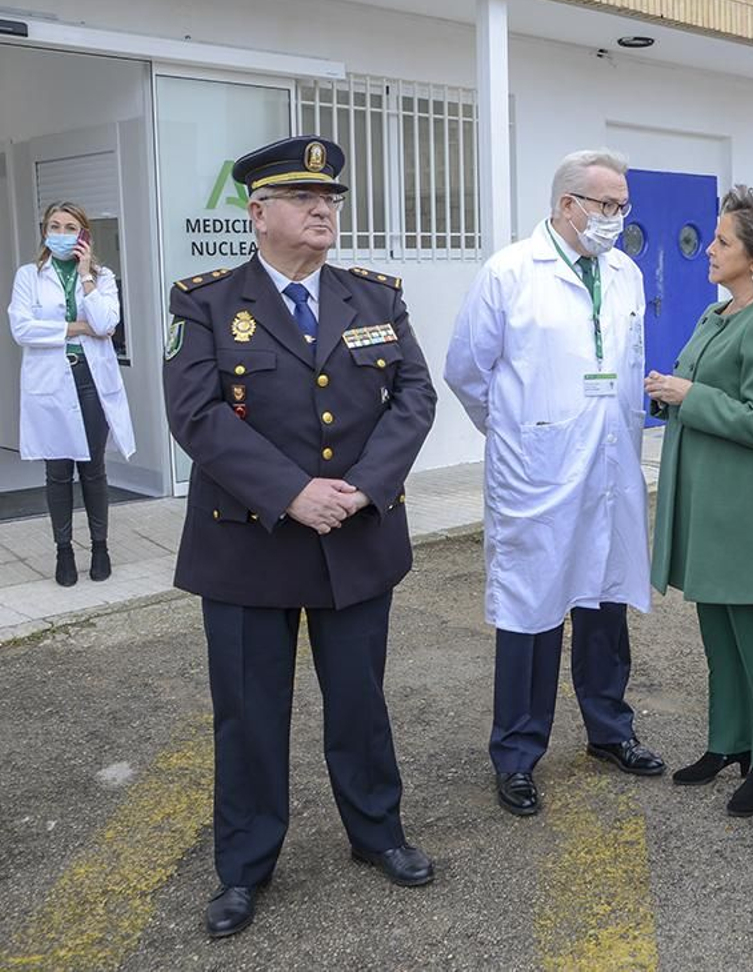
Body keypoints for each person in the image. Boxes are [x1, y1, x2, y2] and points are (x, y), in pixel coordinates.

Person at [164, 135, 438, 939]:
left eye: (332, 200)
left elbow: (414, 397)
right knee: (248, 713)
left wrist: (363, 488)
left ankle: (377, 833)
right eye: (302, 199)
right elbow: (196, 415)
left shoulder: (375, 297)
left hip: (354, 536)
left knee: (360, 702)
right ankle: (245, 866)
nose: (324, 210)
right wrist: (292, 492)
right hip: (247, 545)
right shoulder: (205, 300)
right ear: (258, 213)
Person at [445, 149, 663, 822]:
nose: (616, 218)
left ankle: (610, 730)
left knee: (604, 604)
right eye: (605, 205)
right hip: (537, 471)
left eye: (622, 206)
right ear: (566, 205)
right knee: (531, 613)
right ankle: (516, 754)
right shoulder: (510, 272)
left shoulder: (623, 272)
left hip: (608, 465)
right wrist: (521, 434)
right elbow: (466, 372)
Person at [645, 186, 753, 817]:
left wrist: (688, 396)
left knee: (752, 634)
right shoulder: (719, 315)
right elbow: (700, 387)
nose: (709, 250)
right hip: (708, 505)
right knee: (717, 630)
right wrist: (668, 392)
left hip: (744, 513)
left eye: (723, 242)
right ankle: (728, 740)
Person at [8, 201, 135, 586]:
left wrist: (85, 277)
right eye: (54, 226)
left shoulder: (103, 276)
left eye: (69, 227)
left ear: (84, 235)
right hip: (50, 383)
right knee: (58, 472)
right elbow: (22, 329)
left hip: (91, 382)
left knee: (93, 469)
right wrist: (77, 329)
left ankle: (100, 547)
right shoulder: (29, 275)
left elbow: (108, 322)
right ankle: (64, 551)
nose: (61, 234)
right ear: (45, 231)